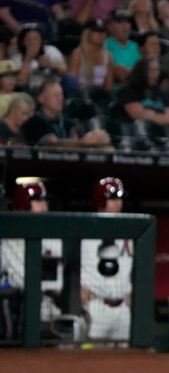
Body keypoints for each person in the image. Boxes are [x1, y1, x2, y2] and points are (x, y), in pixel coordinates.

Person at [0, 182, 63, 327]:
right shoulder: (7, 241)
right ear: (24, 203)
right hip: (18, 308)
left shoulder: (55, 238)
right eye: (39, 200)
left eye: (45, 201)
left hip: (50, 305)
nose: (44, 205)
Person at [80, 177, 134, 342]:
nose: (118, 202)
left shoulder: (130, 231)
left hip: (123, 307)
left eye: (120, 198)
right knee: (91, 359)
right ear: (100, 200)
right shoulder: (85, 231)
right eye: (112, 198)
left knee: (125, 359)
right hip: (96, 305)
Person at [21, 78, 111, 147]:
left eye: (61, 94)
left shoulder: (67, 121)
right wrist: (83, 142)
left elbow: (77, 138)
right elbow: (51, 143)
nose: (60, 98)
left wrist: (98, 138)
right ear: (41, 98)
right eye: (55, 95)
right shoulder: (34, 122)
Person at [70, 18, 114, 93]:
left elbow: (108, 86)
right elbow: (72, 82)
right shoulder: (78, 54)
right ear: (87, 33)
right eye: (95, 31)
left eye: (102, 31)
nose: (100, 34)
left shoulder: (108, 56)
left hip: (100, 97)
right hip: (81, 95)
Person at [105, 9, 140, 84]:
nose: (125, 25)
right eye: (120, 22)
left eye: (127, 21)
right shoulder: (104, 46)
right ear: (109, 26)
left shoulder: (136, 46)